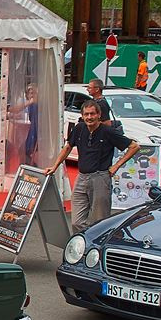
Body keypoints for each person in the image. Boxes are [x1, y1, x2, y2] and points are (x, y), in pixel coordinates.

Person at [45, 99, 139, 233]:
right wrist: (54, 166)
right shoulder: (79, 128)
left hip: (100, 178)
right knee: (77, 222)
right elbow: (67, 147)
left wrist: (116, 166)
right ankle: (84, 242)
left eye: (92, 114)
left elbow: (134, 146)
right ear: (82, 116)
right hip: (81, 178)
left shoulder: (108, 132)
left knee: (100, 221)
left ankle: (97, 244)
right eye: (86, 114)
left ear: (99, 115)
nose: (89, 117)